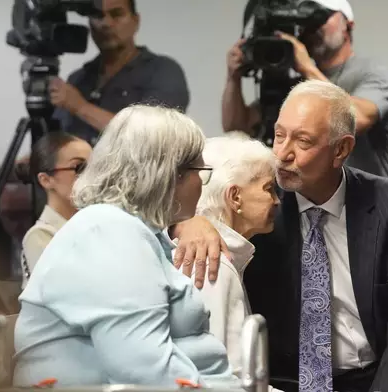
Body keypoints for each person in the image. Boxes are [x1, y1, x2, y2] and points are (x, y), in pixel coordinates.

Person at [170, 80, 388, 392]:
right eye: (278, 136)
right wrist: (189, 221)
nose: (282, 155)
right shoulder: (260, 204)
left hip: (379, 377)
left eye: (302, 142)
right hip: (288, 382)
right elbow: (199, 193)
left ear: (341, 149)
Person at [13, 105, 237, 388]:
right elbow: (144, 369)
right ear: (169, 174)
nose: (201, 183)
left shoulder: (135, 231)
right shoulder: (108, 233)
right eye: (199, 171)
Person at [221, 0, 388, 177]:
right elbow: (237, 126)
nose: (313, 28)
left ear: (348, 26)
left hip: (363, 198)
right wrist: (233, 78)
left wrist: (307, 68)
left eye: (321, 18)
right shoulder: (298, 84)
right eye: (307, 22)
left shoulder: (372, 72)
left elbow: (356, 120)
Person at [172, 134, 279, 378]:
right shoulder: (212, 262)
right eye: (269, 189)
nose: (276, 201)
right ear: (234, 197)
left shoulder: (220, 257)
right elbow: (217, 372)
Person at [50, 0, 190, 144]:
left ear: (136, 21)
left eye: (117, 14)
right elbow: (60, 138)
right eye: (98, 16)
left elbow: (151, 137)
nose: (106, 23)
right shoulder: (78, 79)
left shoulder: (162, 71)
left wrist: (81, 108)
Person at [20, 132, 92, 287]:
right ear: (46, 180)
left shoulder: (99, 225)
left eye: (95, 167)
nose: (91, 176)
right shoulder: (40, 236)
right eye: (80, 167)